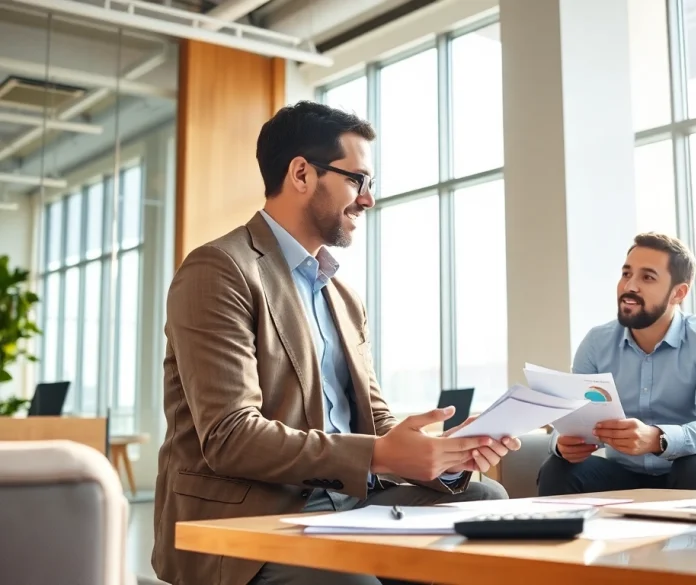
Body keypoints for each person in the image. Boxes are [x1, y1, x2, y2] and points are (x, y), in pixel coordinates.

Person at [152, 101, 519, 585]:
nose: (368, 199)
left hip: (348, 500)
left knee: (489, 506)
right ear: (301, 173)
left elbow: (374, 418)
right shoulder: (220, 270)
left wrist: (444, 457)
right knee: (349, 579)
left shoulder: (341, 295)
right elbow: (230, 437)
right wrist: (380, 455)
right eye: (357, 180)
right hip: (252, 517)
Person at [536, 232, 696, 496]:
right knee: (558, 468)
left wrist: (658, 439)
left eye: (647, 277)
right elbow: (572, 419)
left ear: (678, 293)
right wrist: (563, 443)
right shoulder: (596, 342)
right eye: (626, 274)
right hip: (625, 474)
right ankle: (561, 538)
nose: (629, 286)